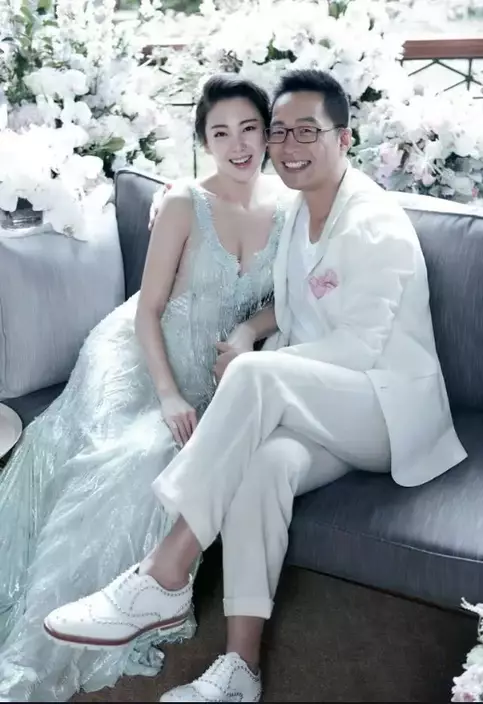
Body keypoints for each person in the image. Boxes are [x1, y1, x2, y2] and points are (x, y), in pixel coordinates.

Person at [44, 69, 467, 703]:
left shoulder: (374, 223)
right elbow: (239, 208)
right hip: (322, 407)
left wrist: (260, 363)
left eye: (307, 132)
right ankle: (239, 670)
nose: (289, 146)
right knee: (262, 469)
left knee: (254, 375)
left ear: (344, 138)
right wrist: (181, 198)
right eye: (281, 132)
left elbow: (358, 350)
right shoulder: (297, 208)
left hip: (383, 409)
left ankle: (165, 572)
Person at [0, 74, 287, 702]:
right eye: (220, 133)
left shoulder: (289, 207)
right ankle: (77, 616)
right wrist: (167, 394)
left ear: (268, 133)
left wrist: (249, 328)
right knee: (135, 452)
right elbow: (147, 310)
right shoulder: (184, 202)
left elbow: (289, 298)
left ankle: (140, 596)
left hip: (215, 370)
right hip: (139, 354)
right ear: (204, 142)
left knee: (173, 454)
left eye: (249, 129)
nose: (238, 145)